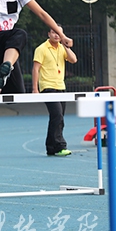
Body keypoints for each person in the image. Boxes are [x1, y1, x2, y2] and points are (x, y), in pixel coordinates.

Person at [32, 26, 77, 157]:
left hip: (60, 86)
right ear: (49, 34)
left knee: (57, 117)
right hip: (48, 87)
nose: (56, 35)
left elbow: (73, 60)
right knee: (57, 115)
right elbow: (35, 69)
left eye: (59, 33)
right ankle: (60, 146)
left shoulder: (62, 48)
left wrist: (66, 46)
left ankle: (50, 147)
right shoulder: (41, 49)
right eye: (54, 32)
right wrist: (35, 89)